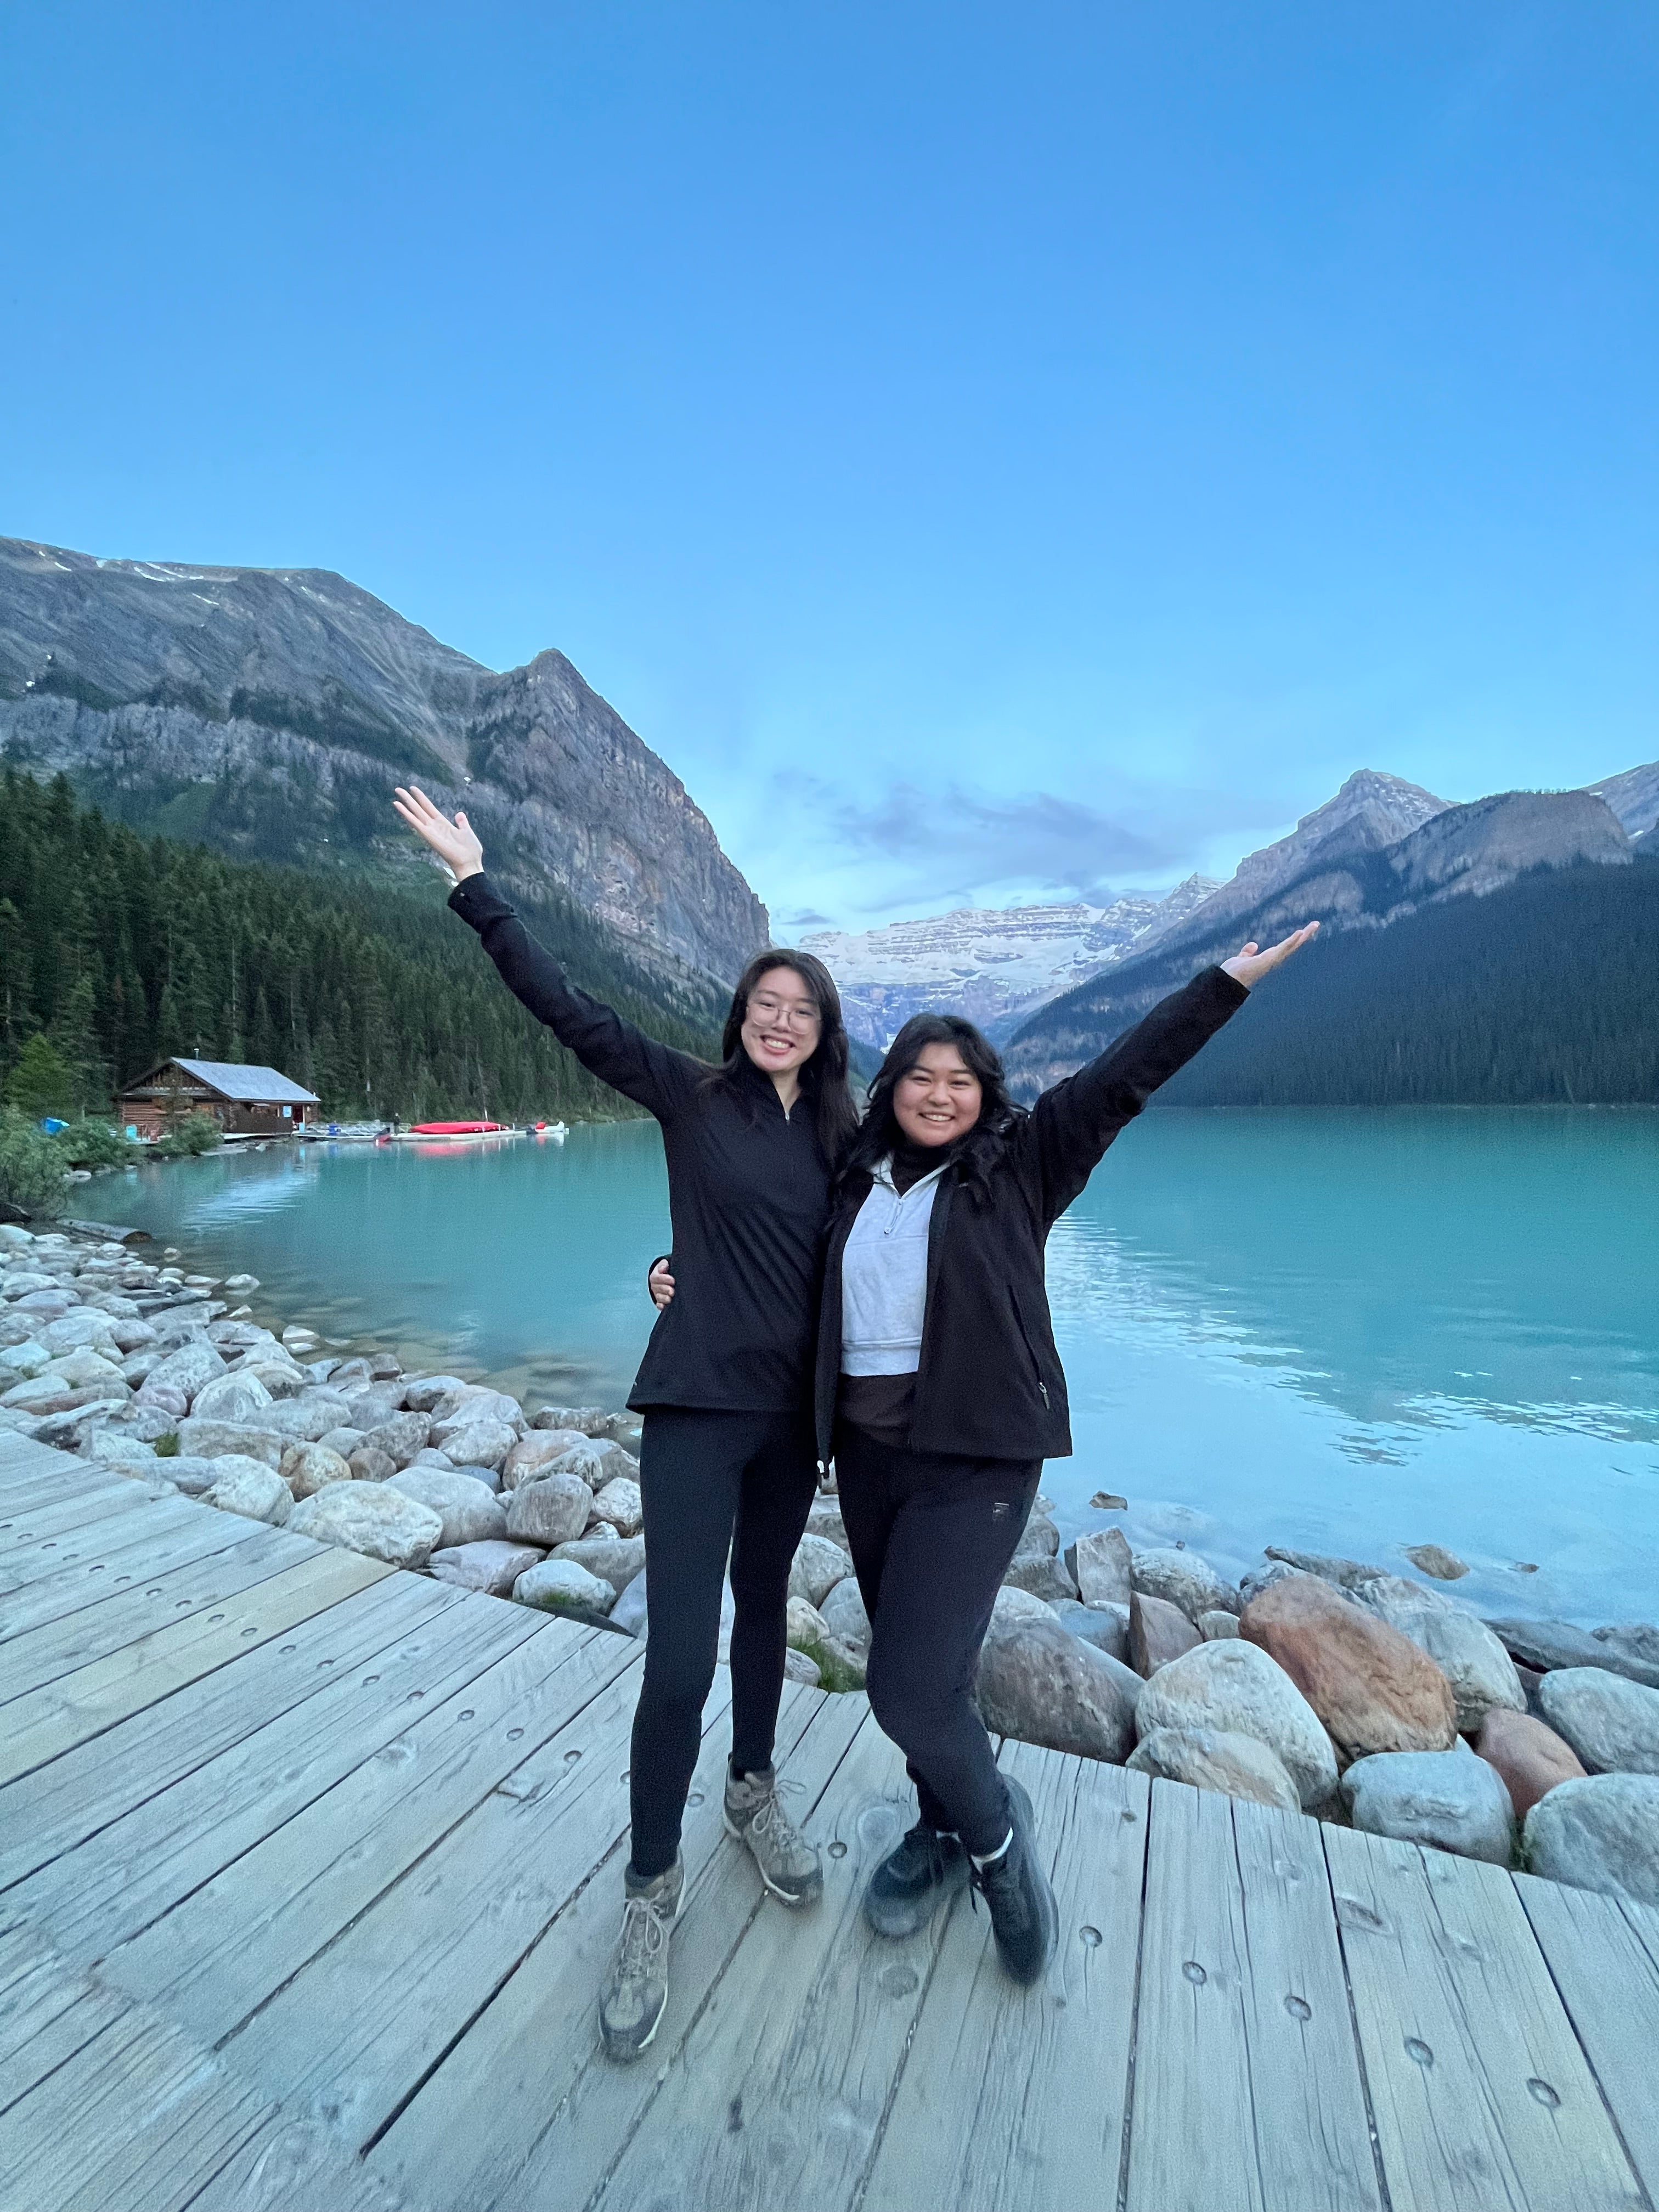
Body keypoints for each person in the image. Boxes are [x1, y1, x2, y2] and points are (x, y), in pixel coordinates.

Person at [652, 925, 1314, 1985]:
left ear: (984, 1093)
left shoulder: (1023, 1165)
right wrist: (673, 1269)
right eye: (919, 1075)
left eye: (960, 1080)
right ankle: (940, 1829)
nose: (939, 1093)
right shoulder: (853, 1180)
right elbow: (757, 1241)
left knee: (905, 1689)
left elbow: (1124, 1076)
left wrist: (1222, 986)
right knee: (941, 1671)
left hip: (979, 1463)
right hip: (869, 1460)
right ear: (890, 1087)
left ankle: (1000, 1843)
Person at [392, 785, 859, 2062]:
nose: (780, 1021)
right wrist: (473, 885)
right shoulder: (685, 1091)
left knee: (770, 1613)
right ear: (742, 1017)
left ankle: (754, 1793)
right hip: (697, 1410)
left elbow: (911, 1225)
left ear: (823, 1034)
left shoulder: (843, 1139)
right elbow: (568, 1009)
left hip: (792, 1424)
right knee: (679, 1655)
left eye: (801, 1011)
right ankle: (651, 1887)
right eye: (766, 1004)